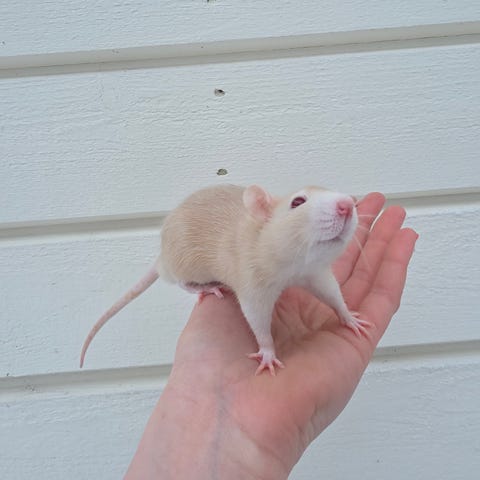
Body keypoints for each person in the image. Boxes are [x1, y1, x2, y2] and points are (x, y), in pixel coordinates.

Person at [124, 192, 418, 479]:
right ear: (264, 215)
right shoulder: (255, 262)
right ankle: (189, 282)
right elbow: (254, 302)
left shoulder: (301, 255)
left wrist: (344, 314)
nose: (345, 208)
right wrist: (267, 347)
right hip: (187, 244)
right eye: (299, 202)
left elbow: (320, 277)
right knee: (185, 267)